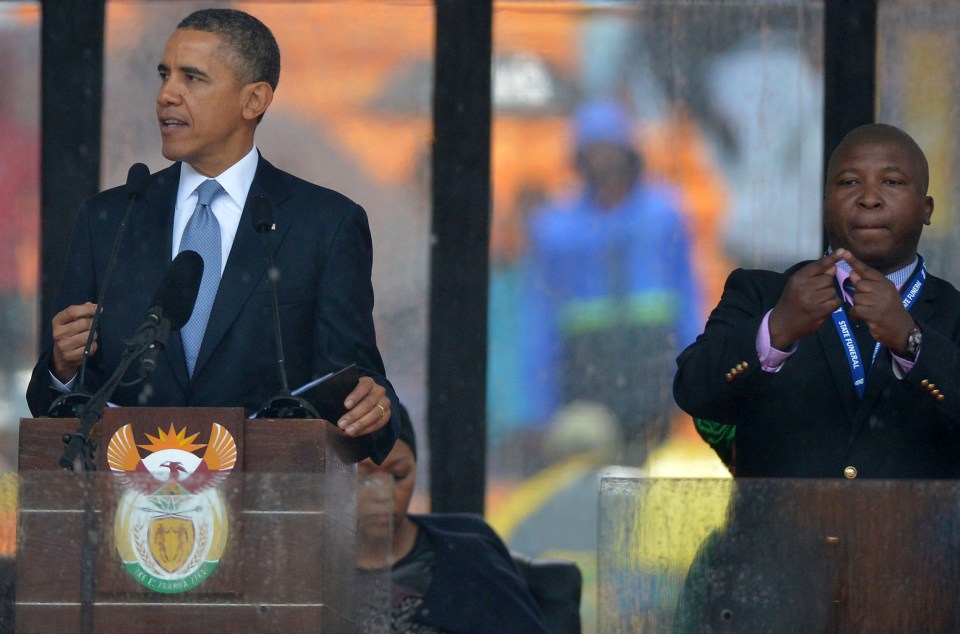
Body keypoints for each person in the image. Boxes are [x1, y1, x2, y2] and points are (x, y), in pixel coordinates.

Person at [25, 8, 398, 461]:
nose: (166, 95)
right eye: (164, 75)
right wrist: (63, 369)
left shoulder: (324, 225)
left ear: (253, 100)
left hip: (269, 513)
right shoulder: (109, 221)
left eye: (192, 78)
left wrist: (372, 408)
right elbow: (56, 407)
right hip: (128, 510)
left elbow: (355, 392)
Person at [674, 122, 960, 479]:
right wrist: (776, 329)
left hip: (914, 536)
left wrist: (912, 342)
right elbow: (694, 393)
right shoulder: (758, 294)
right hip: (776, 537)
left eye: (891, 182)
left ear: (926, 208)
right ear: (825, 202)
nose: (869, 198)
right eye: (849, 182)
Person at [520, 99, 703, 463]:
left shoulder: (663, 213)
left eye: (611, 151)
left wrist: (696, 372)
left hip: (650, 361)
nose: (603, 162)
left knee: (650, 469)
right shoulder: (556, 227)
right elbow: (539, 313)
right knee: (591, 470)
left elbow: (686, 291)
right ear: (580, 159)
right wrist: (536, 404)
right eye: (593, 152)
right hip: (587, 367)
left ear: (629, 154)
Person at [354, 405, 551, 633]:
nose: (382, 494)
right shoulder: (309, 568)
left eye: (398, 475)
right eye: (363, 477)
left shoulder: (467, 554)